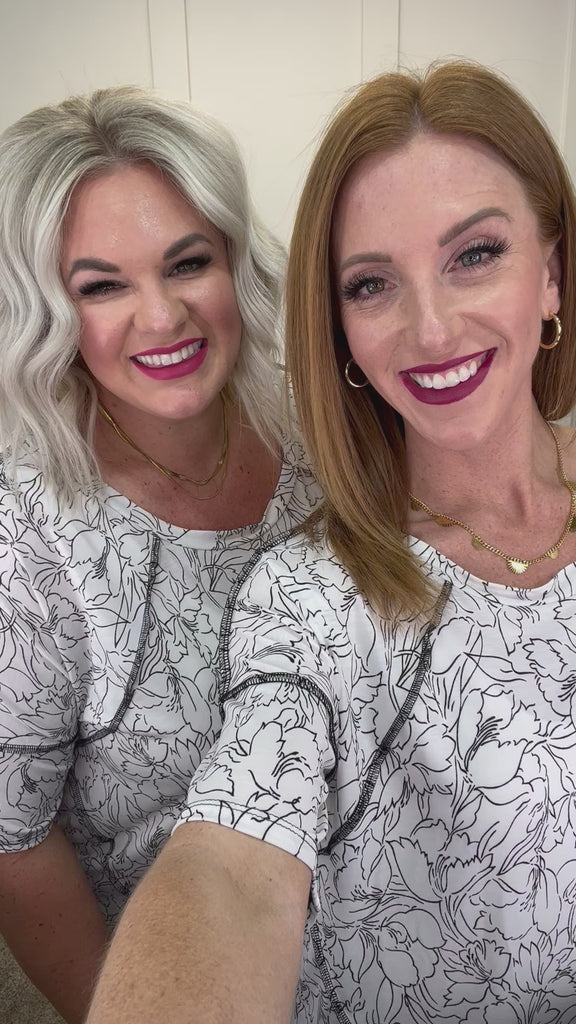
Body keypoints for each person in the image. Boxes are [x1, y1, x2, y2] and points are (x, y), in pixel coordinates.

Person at [87, 61, 576, 1024]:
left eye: (475, 254)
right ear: (339, 327)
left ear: (553, 273)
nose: (431, 327)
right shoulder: (312, 594)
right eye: (371, 284)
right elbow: (231, 871)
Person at [0, 86, 321, 1024]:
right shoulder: (28, 534)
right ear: (48, 311)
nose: (163, 315)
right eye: (102, 285)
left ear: (235, 261)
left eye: (188, 262)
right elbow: (15, 843)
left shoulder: (313, 428)